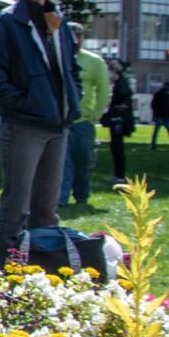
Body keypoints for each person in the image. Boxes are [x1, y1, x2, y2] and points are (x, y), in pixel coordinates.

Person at [0, 0, 80, 264]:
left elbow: (69, 69)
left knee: (47, 208)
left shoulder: (56, 18)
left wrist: (72, 102)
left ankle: (43, 271)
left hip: (57, 125)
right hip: (24, 125)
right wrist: (22, 104)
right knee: (16, 206)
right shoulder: (10, 21)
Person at [58, 23, 110, 207]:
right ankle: (61, 199)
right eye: (71, 35)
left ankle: (81, 196)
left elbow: (104, 89)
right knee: (61, 163)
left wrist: (96, 114)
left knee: (83, 162)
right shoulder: (57, 57)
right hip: (60, 120)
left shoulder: (94, 61)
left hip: (83, 122)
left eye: (78, 36)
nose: (75, 39)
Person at [104, 59, 135, 182]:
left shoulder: (120, 84)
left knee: (117, 147)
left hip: (118, 120)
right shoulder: (121, 83)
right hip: (119, 119)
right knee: (116, 147)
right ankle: (118, 174)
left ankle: (119, 175)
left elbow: (123, 97)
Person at [149, 82, 169, 149]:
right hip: (166, 117)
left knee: (156, 131)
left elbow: (153, 105)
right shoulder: (168, 95)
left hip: (159, 115)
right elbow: (168, 106)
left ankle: (153, 144)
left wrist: (156, 111)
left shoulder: (158, 94)